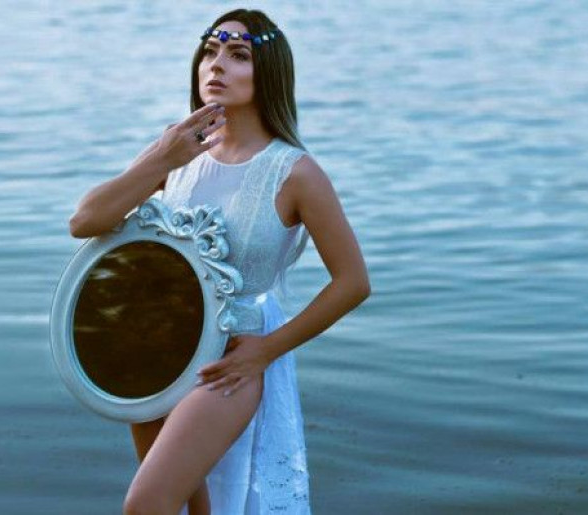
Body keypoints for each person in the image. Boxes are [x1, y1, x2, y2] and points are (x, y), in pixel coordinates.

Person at [68, 8, 371, 514]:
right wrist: (163, 158)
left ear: (268, 72)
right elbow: (85, 221)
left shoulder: (295, 172)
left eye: (238, 55)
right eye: (210, 52)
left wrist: (266, 350)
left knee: (146, 502)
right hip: (157, 353)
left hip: (229, 362)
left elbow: (353, 282)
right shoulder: (177, 151)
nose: (217, 65)